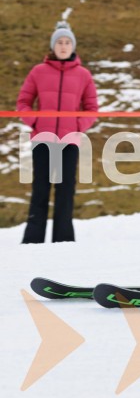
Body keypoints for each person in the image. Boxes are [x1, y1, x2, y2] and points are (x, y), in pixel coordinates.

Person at [17, 21, 98, 243]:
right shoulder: (38, 71)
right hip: (43, 139)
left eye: (67, 42)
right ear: (53, 46)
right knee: (40, 188)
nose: (63, 46)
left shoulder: (83, 75)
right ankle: (33, 240)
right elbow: (23, 102)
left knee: (65, 191)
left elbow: (92, 108)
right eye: (60, 42)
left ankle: (63, 240)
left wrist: (78, 126)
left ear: (73, 46)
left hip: (69, 141)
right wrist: (35, 121)